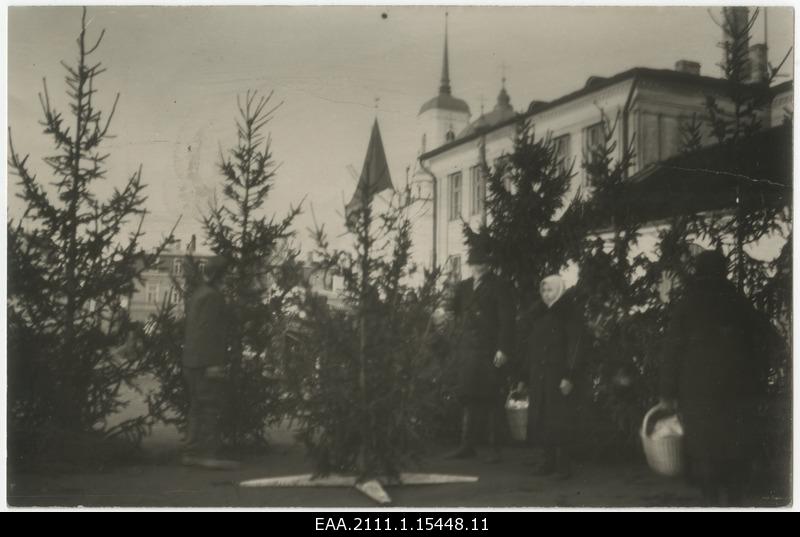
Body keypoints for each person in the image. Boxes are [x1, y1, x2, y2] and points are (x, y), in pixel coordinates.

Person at [659, 250, 763, 506]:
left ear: (698, 270)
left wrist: (667, 391)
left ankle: (711, 499)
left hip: (697, 384)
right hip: (736, 384)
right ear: (723, 270)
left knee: (703, 444)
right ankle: (735, 497)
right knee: (734, 440)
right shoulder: (737, 300)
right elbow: (757, 340)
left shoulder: (689, 302)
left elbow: (673, 349)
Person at [446, 234, 515, 463]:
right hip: (468, 349)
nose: (478, 266)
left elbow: (507, 320)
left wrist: (503, 349)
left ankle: (496, 449)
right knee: (468, 397)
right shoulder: (464, 286)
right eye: (475, 262)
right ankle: (467, 445)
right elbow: (453, 311)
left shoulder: (500, 286)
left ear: (489, 264)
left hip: (489, 349)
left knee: (493, 398)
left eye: (483, 262)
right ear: (470, 265)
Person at [519, 275, 583, 479]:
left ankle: (563, 466)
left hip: (558, 375)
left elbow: (575, 346)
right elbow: (530, 347)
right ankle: (546, 461)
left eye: (550, 291)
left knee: (560, 419)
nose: (547, 295)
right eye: (544, 291)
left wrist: (569, 375)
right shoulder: (538, 314)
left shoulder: (568, 313)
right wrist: (524, 375)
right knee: (542, 418)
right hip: (540, 374)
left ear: (559, 290)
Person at [181, 255, 238, 470]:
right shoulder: (213, 297)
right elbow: (208, 333)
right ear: (219, 275)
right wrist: (213, 364)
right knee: (209, 407)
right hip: (205, 362)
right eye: (227, 274)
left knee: (197, 406)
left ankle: (191, 452)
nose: (230, 278)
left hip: (193, 361)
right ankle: (206, 455)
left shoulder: (199, 294)